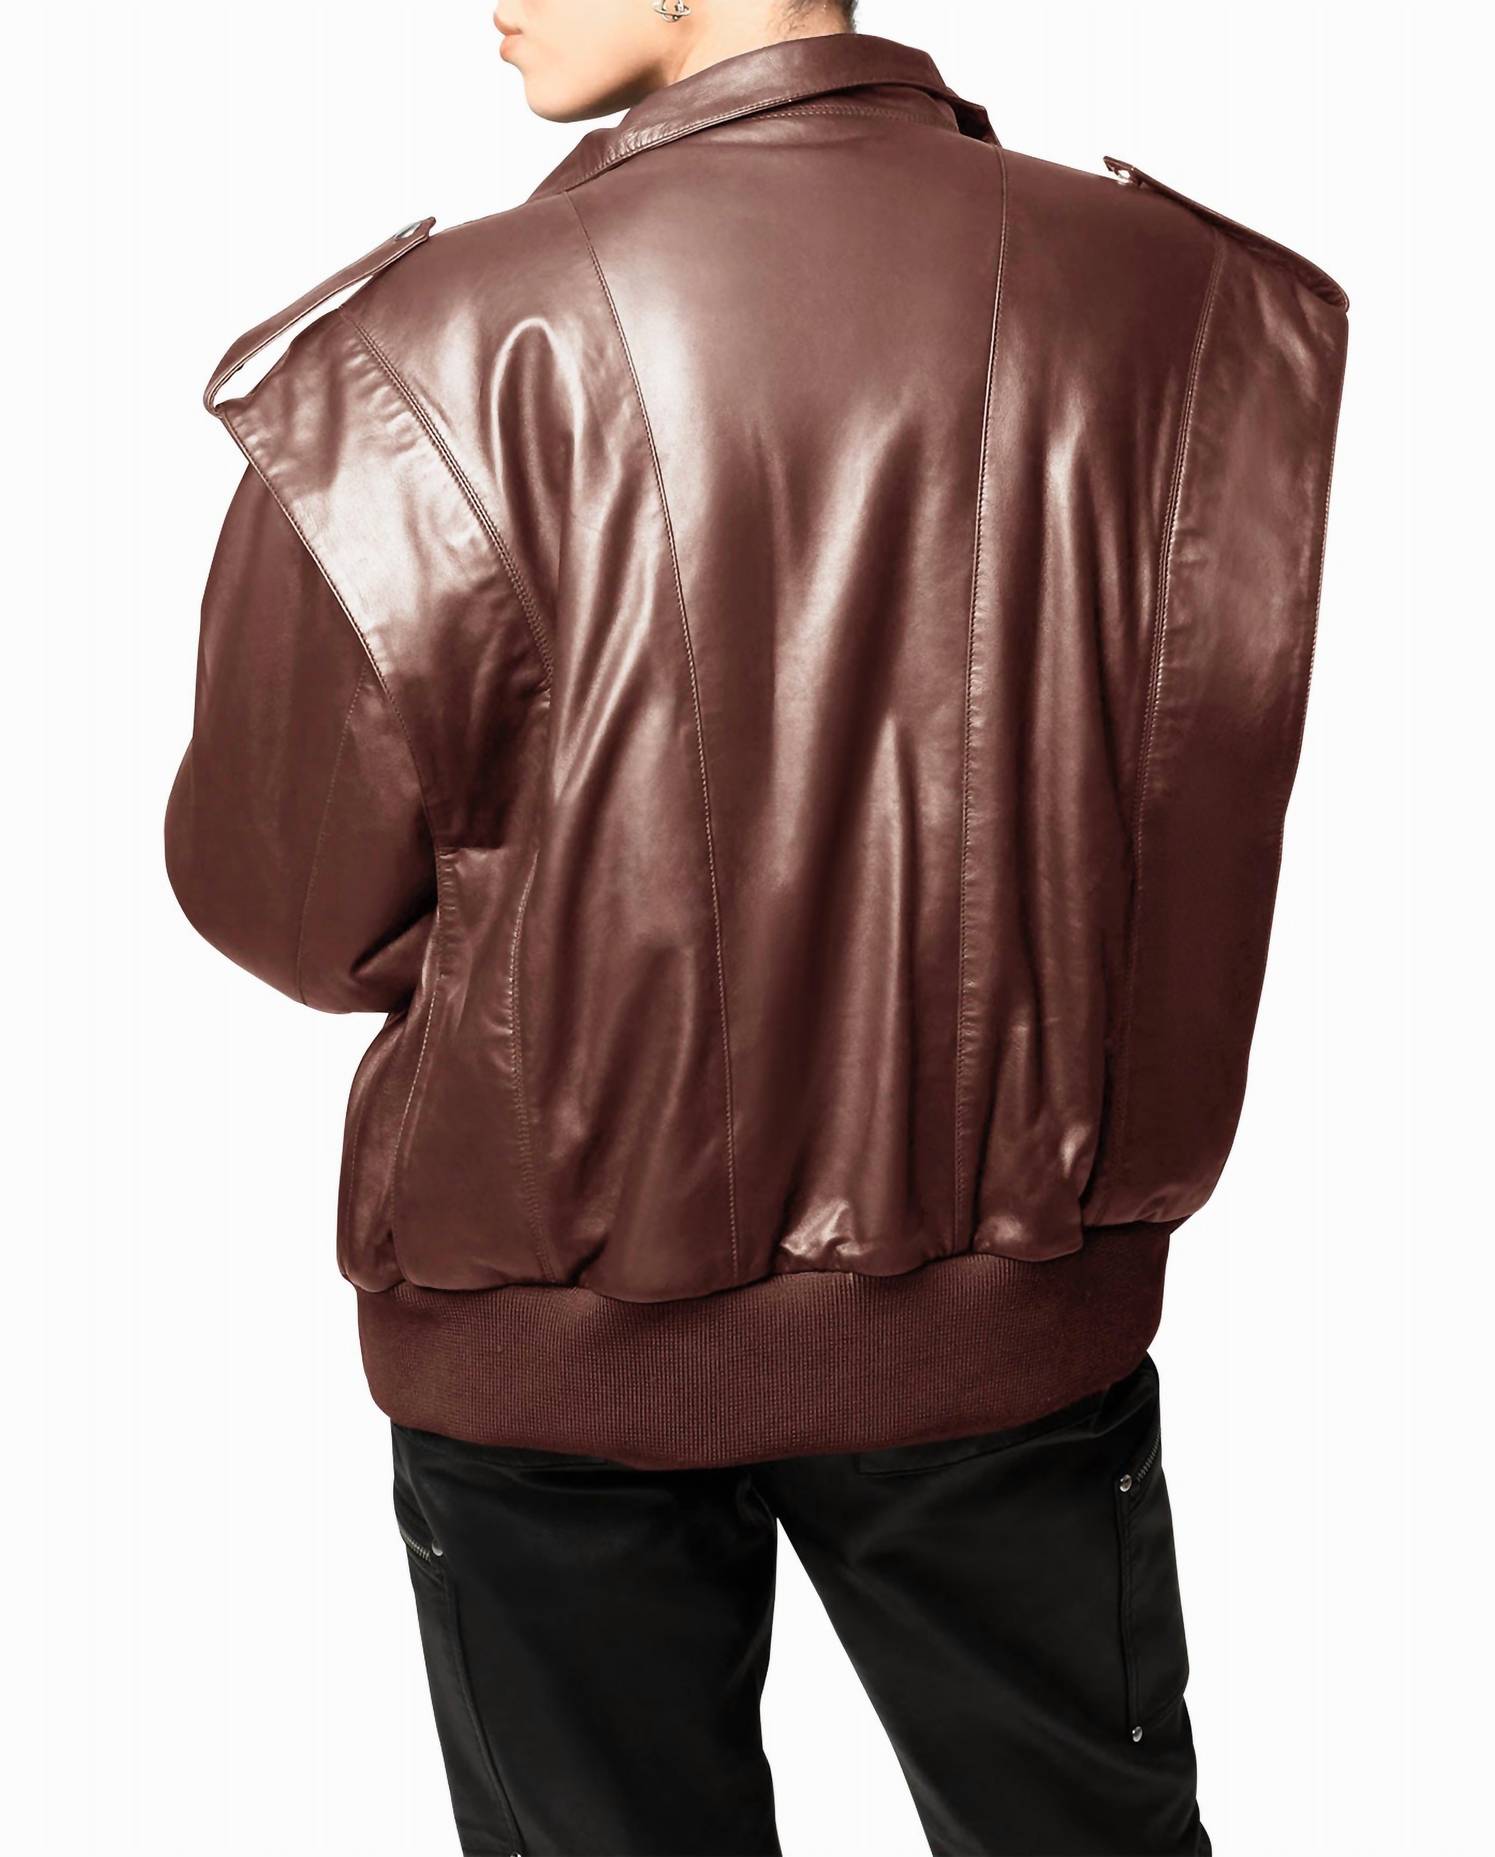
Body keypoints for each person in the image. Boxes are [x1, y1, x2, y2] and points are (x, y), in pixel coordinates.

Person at [165, 1, 1348, 1851]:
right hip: (1019, 1313)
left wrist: (545, 940)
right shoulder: (1186, 304)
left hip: (540, 1337)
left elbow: (287, 910)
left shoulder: (419, 360)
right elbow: (1196, 813)